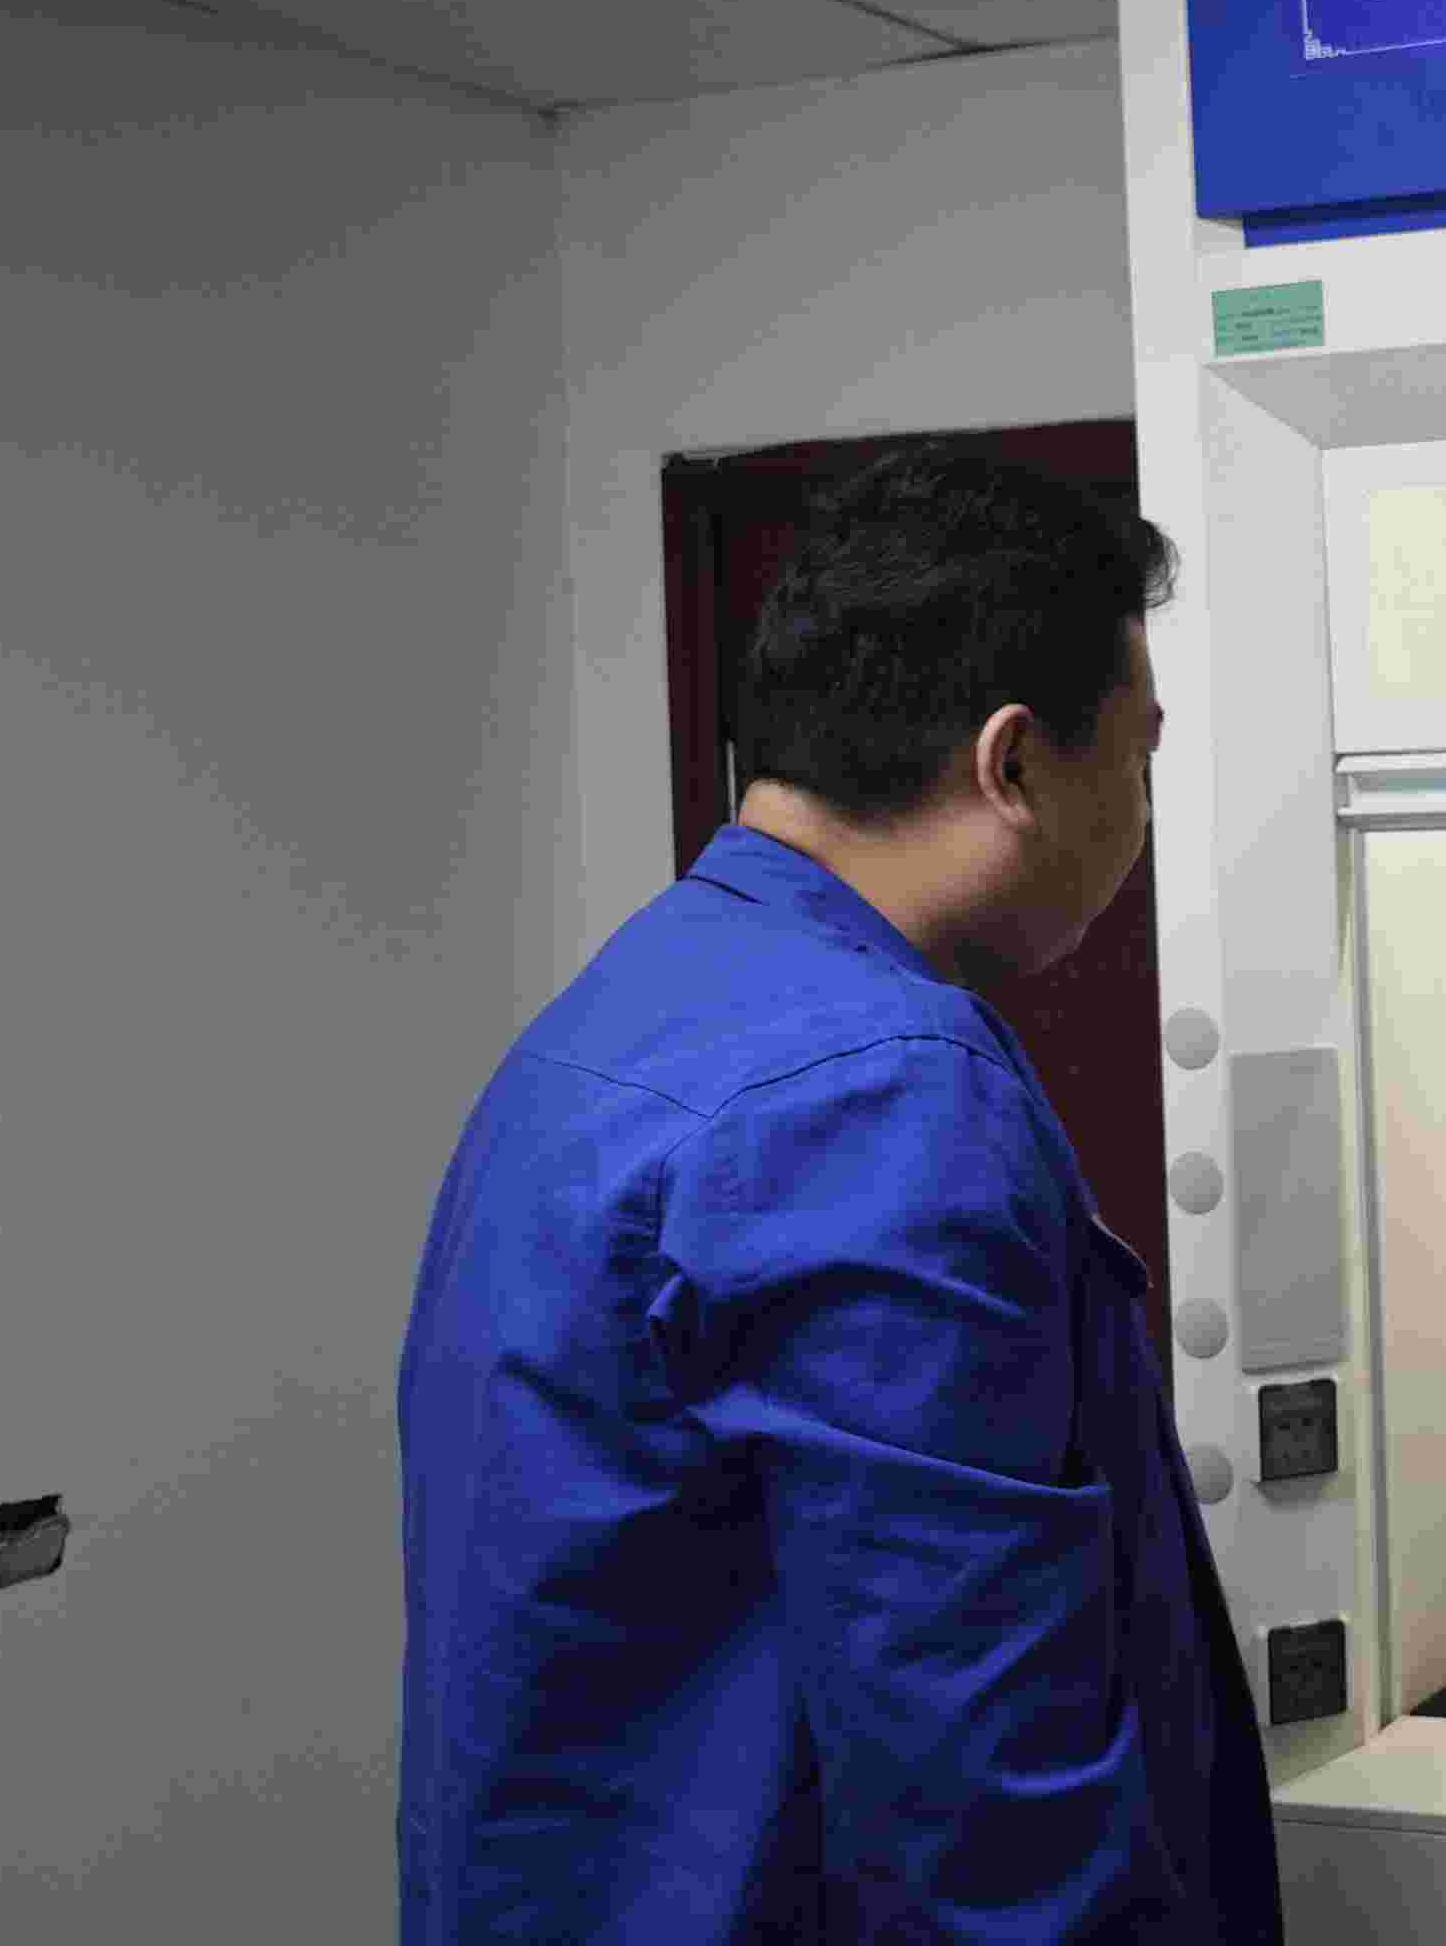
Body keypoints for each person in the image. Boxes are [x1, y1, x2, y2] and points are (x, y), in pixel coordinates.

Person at [397, 448, 1278, 1942]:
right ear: (1013, 766)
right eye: (1139, 757)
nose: (1142, 813)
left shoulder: (607, 1026)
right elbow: (985, 1804)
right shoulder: (879, 1096)